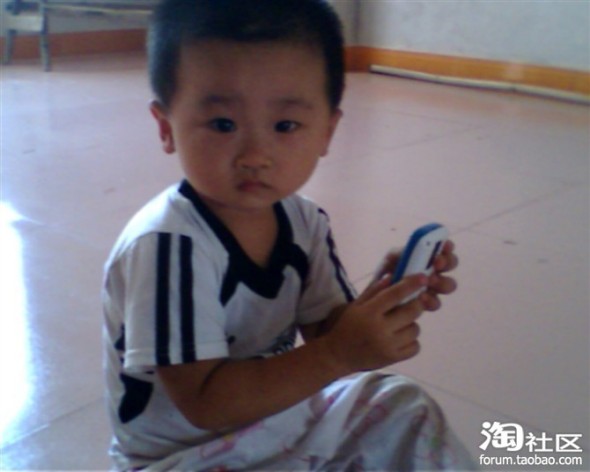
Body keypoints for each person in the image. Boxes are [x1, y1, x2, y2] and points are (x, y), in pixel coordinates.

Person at [102, 0, 476, 470]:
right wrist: (337, 354)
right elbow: (204, 402)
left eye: (285, 125)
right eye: (222, 124)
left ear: (327, 132)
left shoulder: (304, 222)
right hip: (181, 457)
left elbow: (326, 332)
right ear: (166, 128)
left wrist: (382, 303)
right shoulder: (167, 247)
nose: (255, 155)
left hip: (268, 424)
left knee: (402, 407)